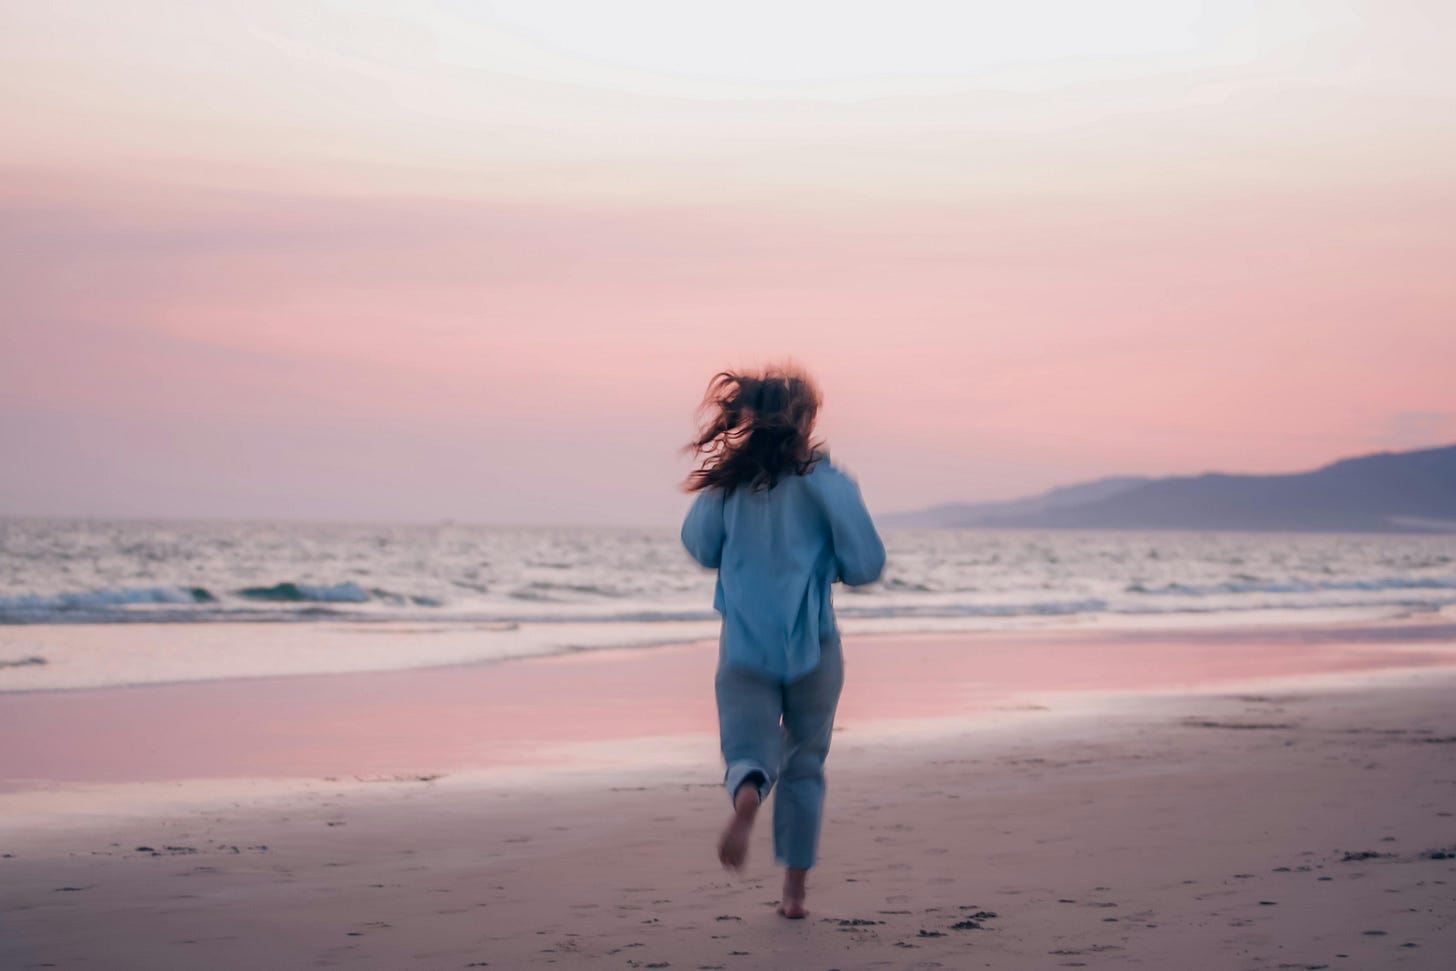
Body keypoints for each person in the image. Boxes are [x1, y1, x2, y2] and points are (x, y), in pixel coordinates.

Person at [680, 364, 885, 919]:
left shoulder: (730, 484)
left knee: (747, 749)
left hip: (745, 645)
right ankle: (794, 895)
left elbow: (700, 547)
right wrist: (830, 561)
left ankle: (748, 795)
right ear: (807, 418)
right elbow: (867, 565)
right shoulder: (828, 481)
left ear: (750, 415)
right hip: (813, 644)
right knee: (805, 761)